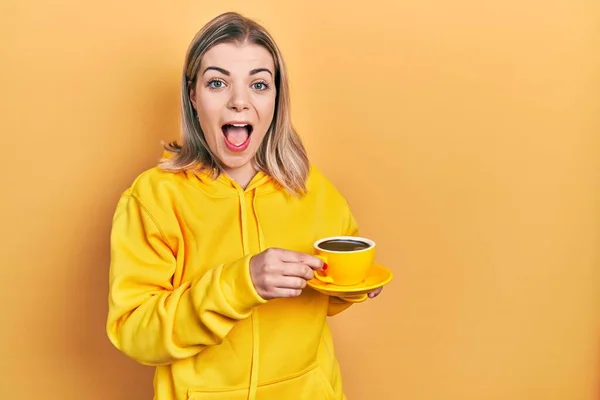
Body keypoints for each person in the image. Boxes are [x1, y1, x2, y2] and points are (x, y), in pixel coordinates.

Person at [106, 11, 382, 400]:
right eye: (217, 83)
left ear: (276, 97)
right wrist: (242, 283)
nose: (239, 102)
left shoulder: (313, 188)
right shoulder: (153, 198)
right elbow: (135, 333)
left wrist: (351, 288)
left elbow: (327, 295)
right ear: (193, 96)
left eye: (259, 84)